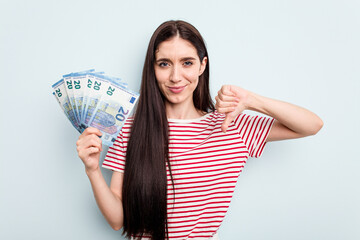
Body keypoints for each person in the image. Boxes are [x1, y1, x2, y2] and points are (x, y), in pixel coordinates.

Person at [76, 20, 323, 240]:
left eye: (187, 63)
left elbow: (312, 125)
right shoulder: (132, 129)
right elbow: (117, 220)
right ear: (152, 69)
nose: (176, 76)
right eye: (164, 64)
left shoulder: (230, 125)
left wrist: (250, 100)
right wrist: (93, 170)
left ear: (202, 66)